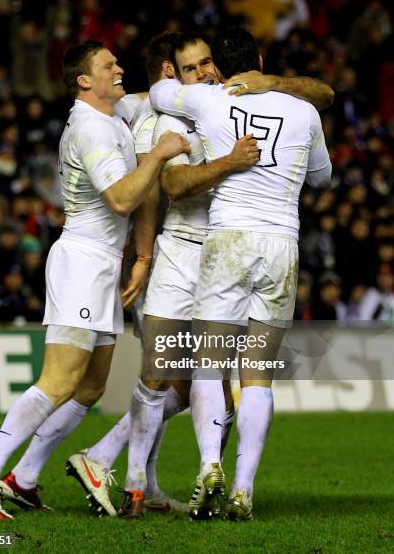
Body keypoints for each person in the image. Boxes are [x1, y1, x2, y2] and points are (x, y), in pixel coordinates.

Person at [68, 31, 334, 520]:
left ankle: (157, 470)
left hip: (223, 249)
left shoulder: (208, 102)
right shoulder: (175, 114)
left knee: (200, 380)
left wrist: (261, 90)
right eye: (192, 67)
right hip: (190, 256)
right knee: (174, 377)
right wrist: (232, 160)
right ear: (172, 72)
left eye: (209, 63)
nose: (204, 72)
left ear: (223, 65)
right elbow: (171, 182)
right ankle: (136, 474)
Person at [0, 40, 189, 520]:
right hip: (82, 260)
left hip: (104, 263)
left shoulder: (112, 112)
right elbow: (123, 199)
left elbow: (150, 99)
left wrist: (204, 87)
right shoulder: (90, 129)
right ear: (85, 80)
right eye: (109, 65)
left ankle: (23, 477)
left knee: (90, 387)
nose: (119, 68)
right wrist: (160, 153)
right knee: (60, 380)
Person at [150, 27, 332, 520]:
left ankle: (210, 465)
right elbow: (322, 177)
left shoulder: (210, 102)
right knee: (258, 375)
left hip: (228, 239)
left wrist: (202, 90)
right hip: (280, 244)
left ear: (221, 66)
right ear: (259, 58)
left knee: (209, 361)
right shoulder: (304, 110)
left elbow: (160, 92)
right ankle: (244, 490)